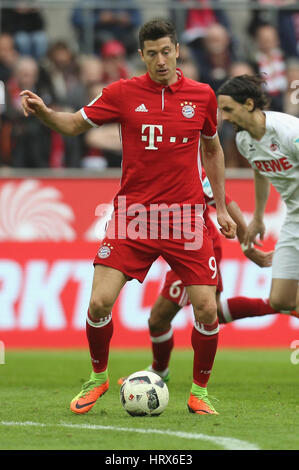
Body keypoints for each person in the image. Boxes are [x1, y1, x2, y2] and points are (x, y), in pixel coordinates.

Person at [20, 19, 236, 416]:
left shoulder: (202, 95)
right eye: (151, 53)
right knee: (99, 302)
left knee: (206, 308)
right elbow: (72, 124)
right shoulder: (122, 93)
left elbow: (213, 150)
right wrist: (46, 112)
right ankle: (98, 377)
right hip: (133, 216)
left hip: (186, 218)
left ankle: (199, 392)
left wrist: (220, 207)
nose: (160, 60)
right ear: (141, 56)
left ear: (177, 51)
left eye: (166, 51)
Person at [117, 167, 275, 384]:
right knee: (213, 313)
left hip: (195, 248)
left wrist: (246, 245)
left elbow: (226, 202)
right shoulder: (148, 163)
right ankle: (279, 304)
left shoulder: (189, 168)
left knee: (159, 319)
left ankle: (161, 371)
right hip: (181, 243)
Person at [217, 74, 299, 317]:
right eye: (222, 111)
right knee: (281, 300)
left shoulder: (288, 132)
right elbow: (261, 172)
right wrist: (259, 217)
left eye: (229, 109)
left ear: (249, 104)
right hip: (294, 218)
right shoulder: (243, 140)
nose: (225, 117)